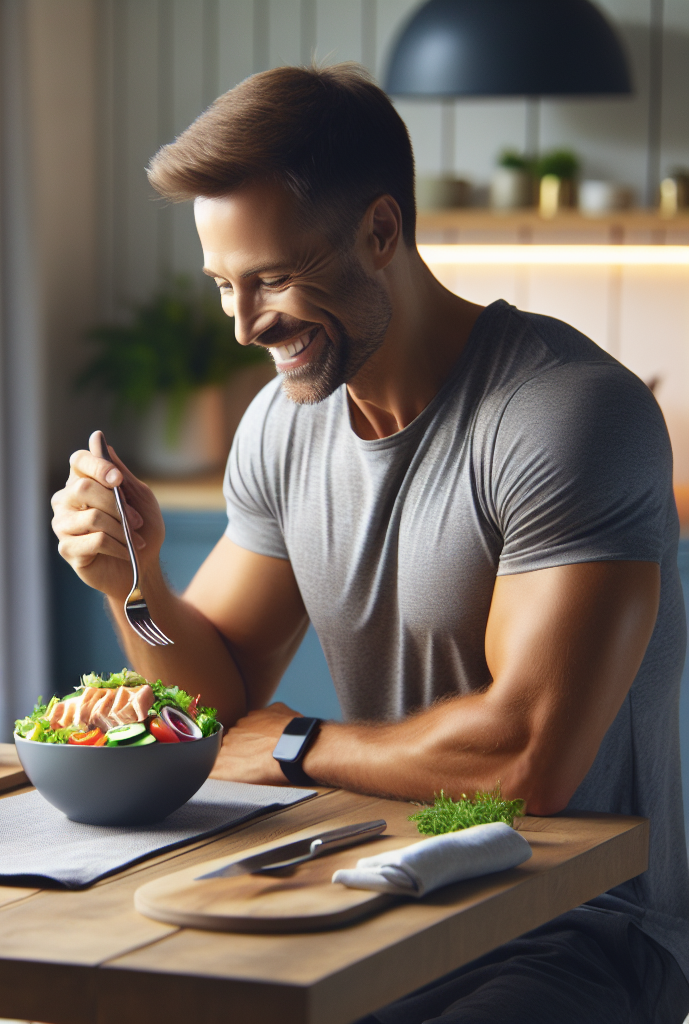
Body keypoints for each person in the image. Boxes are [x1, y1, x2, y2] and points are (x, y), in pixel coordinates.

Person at [50, 64, 689, 1022]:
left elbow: (530, 762)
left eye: (272, 278)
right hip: (377, 898)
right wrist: (129, 584)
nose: (242, 324)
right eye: (224, 284)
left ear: (380, 231)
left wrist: (301, 744)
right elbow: (213, 698)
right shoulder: (282, 424)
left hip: (580, 930)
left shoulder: (566, 414)